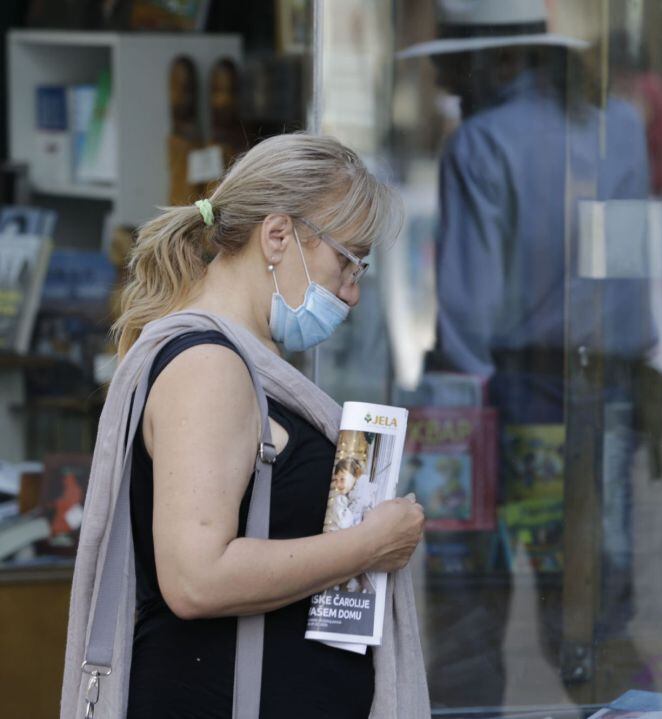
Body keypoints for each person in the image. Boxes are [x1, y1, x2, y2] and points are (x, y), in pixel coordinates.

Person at [62, 133, 427, 718]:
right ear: (278, 236)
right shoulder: (210, 367)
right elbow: (196, 578)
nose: (353, 293)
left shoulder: (238, 362)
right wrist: (368, 545)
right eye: (348, 261)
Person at [398, 0, 656, 706]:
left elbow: (468, 318)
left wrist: (460, 431)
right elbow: (627, 281)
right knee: (592, 616)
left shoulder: (480, 142)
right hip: (598, 389)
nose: (445, 81)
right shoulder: (618, 130)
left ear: (498, 58)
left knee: (467, 615)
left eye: (452, 63)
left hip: (499, 395)